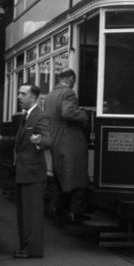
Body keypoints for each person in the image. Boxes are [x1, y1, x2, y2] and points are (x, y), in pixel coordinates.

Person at [44, 69, 89, 225]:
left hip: (55, 137)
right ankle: (75, 212)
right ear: (70, 79)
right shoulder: (68, 93)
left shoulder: (50, 95)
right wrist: (84, 115)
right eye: (74, 81)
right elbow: (68, 113)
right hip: (69, 137)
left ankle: (56, 208)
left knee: (60, 174)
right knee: (78, 175)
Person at [13, 84, 52, 259]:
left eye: (23, 94)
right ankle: (26, 247)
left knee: (32, 214)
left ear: (34, 98)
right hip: (25, 172)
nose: (19, 97)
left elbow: (48, 140)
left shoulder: (40, 116)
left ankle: (32, 250)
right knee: (25, 213)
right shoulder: (26, 116)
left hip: (32, 173)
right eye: (19, 93)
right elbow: (21, 141)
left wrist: (39, 140)